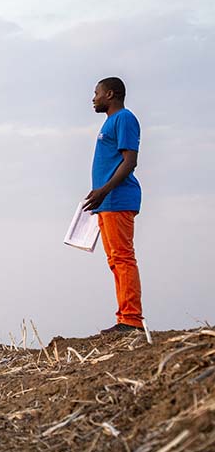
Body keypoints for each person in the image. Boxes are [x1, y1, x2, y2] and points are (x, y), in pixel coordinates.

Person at [83, 77, 144, 333]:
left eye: (96, 93)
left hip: (118, 199)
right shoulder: (110, 122)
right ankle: (124, 316)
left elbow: (130, 161)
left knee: (123, 257)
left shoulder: (124, 118)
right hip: (106, 202)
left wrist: (105, 190)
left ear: (110, 94)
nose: (93, 98)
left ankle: (132, 319)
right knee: (114, 260)